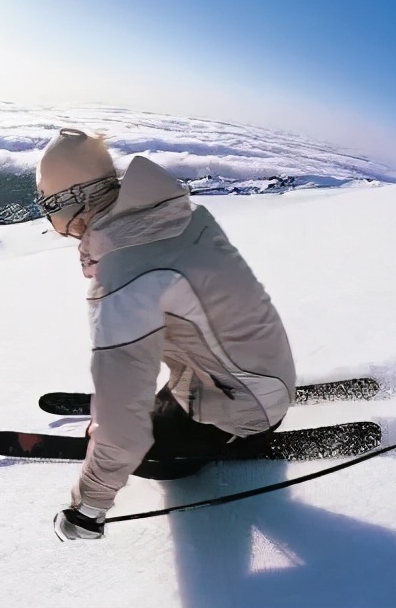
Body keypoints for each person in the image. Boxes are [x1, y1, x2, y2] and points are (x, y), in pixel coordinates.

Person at [36, 129, 297, 542]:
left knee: (151, 458)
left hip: (247, 406)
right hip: (261, 367)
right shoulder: (171, 214)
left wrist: (88, 508)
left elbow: (125, 426)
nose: (52, 221)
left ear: (74, 202)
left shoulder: (125, 277)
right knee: (144, 407)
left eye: (50, 206)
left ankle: (230, 432)